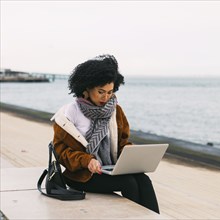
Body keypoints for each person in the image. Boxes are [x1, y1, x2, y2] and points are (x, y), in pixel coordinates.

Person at [51, 54, 159, 213]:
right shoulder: (69, 114)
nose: (106, 97)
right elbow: (61, 153)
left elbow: (122, 143)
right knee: (129, 183)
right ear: (86, 88)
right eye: (101, 91)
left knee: (143, 180)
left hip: (109, 169)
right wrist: (87, 160)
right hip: (81, 175)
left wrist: (132, 156)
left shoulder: (115, 111)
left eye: (110, 92)